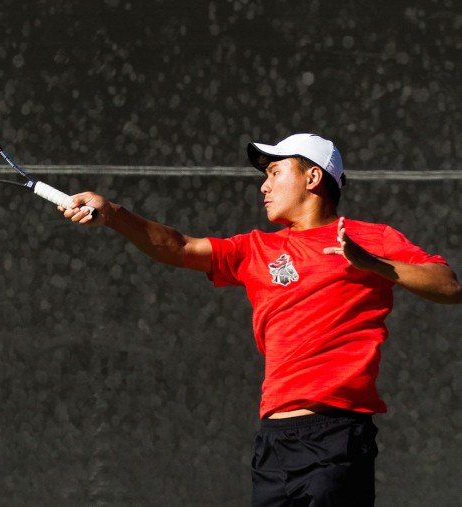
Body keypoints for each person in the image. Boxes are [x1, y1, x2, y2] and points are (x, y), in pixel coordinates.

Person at [58, 133, 462, 506]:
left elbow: (448, 285)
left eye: (275, 171)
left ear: (313, 177)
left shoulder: (372, 238)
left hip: (337, 436)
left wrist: (373, 264)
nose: (264, 186)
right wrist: (112, 213)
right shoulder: (255, 249)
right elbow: (178, 246)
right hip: (274, 443)